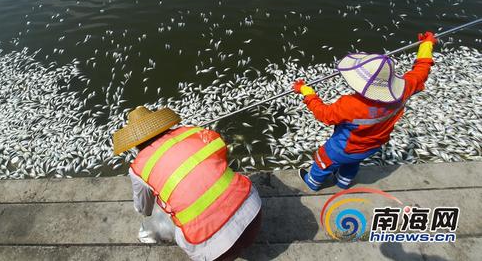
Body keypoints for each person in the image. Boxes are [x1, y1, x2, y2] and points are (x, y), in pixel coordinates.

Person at [113, 106, 262, 261]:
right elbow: (221, 155)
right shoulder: (192, 132)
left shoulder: (138, 168)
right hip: (254, 217)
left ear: (135, 144)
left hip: (217, 253)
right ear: (163, 124)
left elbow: (143, 209)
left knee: (162, 216)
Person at [293, 32, 437, 191]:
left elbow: (324, 114)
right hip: (371, 146)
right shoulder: (404, 89)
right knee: (352, 163)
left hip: (343, 148)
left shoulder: (352, 104)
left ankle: (312, 183)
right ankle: (343, 182)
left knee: (323, 161)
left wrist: (308, 93)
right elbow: (422, 71)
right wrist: (426, 45)